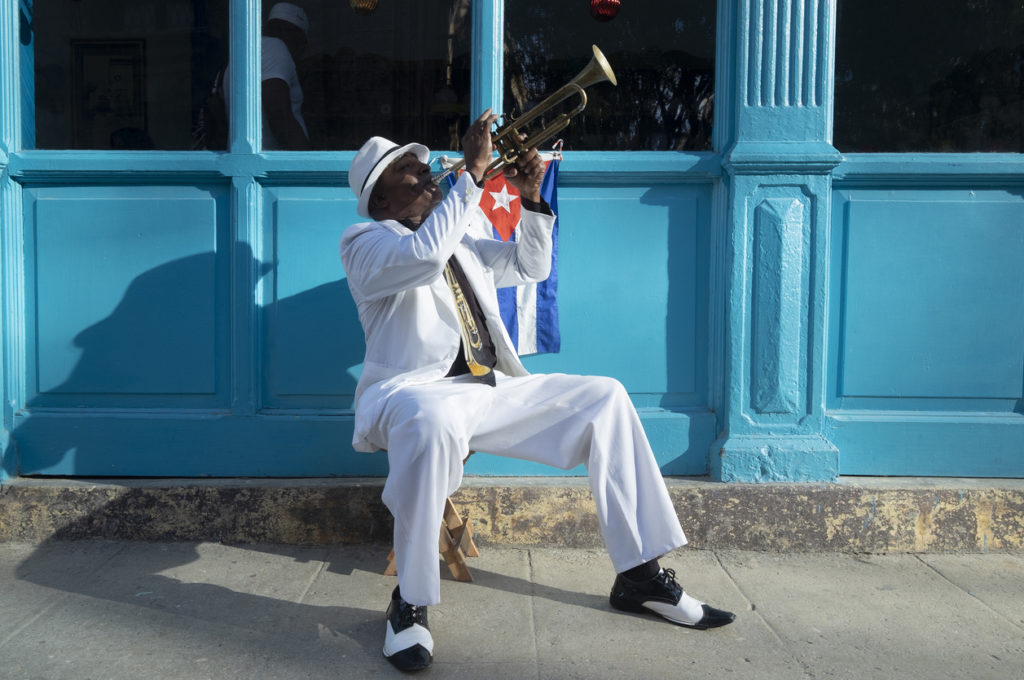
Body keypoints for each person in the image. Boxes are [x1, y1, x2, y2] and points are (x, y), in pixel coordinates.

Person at [340, 110, 735, 672]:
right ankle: (411, 602)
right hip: (412, 394)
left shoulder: (461, 233)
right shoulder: (364, 242)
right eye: (410, 172)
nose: (429, 177)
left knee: (606, 397)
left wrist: (529, 201)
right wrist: (473, 175)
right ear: (379, 199)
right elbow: (421, 255)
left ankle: (640, 575)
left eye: (427, 168)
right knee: (429, 421)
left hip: (487, 386)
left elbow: (530, 266)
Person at [220, 2, 311, 150]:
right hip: (274, 166)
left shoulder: (245, 53)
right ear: (298, 37)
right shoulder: (276, 47)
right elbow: (279, 115)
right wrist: (308, 163)